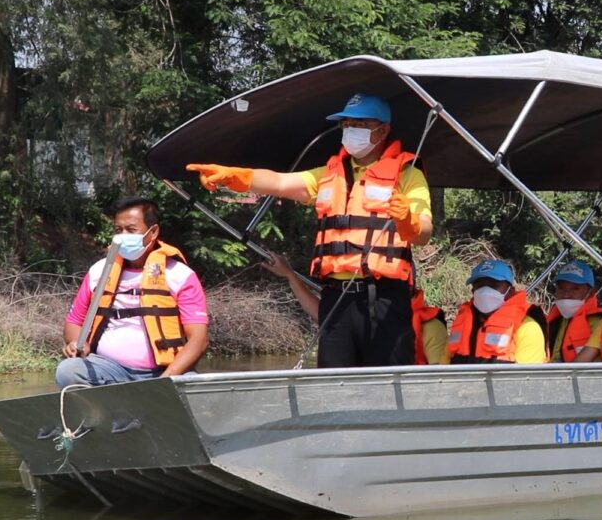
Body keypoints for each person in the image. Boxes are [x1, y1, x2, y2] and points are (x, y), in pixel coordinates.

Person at [187, 93, 433, 368]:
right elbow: (280, 183)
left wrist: (408, 221)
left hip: (384, 298)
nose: (350, 130)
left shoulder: (408, 174)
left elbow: (424, 232)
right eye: (346, 124)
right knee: (332, 378)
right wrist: (234, 176)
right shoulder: (328, 174)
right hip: (336, 298)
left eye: (360, 124)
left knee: (386, 377)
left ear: (383, 130)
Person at [55, 197, 209, 388]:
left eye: (131, 229)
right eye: (118, 230)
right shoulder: (99, 271)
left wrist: (164, 382)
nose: (123, 236)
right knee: (68, 371)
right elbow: (74, 321)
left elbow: (199, 339)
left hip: (165, 371)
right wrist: (77, 342)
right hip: (109, 369)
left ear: (153, 232)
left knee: (193, 383)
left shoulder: (180, 275)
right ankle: (102, 406)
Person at [263, 252, 447, 365]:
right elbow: (324, 316)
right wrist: (290, 276)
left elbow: (439, 382)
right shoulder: (358, 312)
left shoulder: (431, 328)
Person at [444, 259, 547, 364]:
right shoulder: (461, 324)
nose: (485, 291)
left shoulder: (528, 329)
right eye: (480, 285)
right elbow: (442, 367)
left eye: (493, 285)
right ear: (473, 290)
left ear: (510, 291)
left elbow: (527, 374)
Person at [545, 260, 602, 362]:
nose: (566, 294)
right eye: (561, 288)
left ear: (591, 292)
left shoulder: (599, 323)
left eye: (575, 289)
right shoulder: (556, 319)